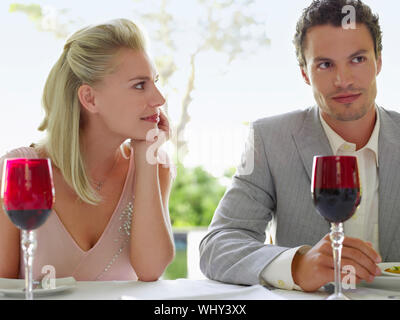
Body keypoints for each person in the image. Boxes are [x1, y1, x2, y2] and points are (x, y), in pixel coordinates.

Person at [200, 0, 400, 292]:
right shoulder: (269, 139)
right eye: (325, 64)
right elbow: (218, 246)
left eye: (357, 59)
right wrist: (295, 265)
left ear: (378, 62)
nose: (343, 80)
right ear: (305, 73)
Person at [0, 19, 175, 281]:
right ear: (90, 98)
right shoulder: (20, 171)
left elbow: (151, 271)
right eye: (140, 85)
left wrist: (146, 158)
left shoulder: (155, 167)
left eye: (155, 82)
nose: (159, 99)